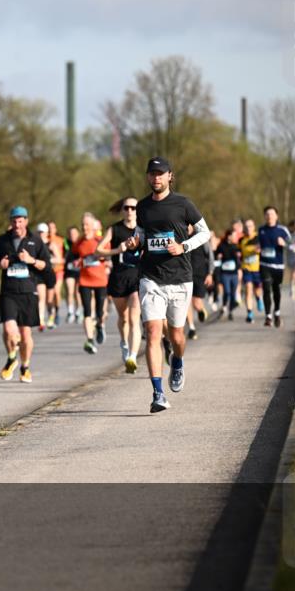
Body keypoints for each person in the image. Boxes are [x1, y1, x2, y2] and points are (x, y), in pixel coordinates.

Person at [125, 156, 210, 413]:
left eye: (161, 173)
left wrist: (183, 246)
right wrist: (135, 241)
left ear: (170, 176)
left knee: (176, 336)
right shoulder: (143, 206)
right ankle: (158, 393)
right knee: (152, 332)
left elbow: (204, 232)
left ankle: (178, 361)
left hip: (180, 278)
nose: (156, 178)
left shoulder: (183, 204)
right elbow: (141, 233)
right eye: (152, 174)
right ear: (148, 177)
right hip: (151, 278)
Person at [0, 206, 51, 382]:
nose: (17, 225)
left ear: (26, 221)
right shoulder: (2, 240)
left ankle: (25, 366)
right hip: (8, 291)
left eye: (20, 221)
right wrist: (0, 264)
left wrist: (31, 260)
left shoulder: (36, 241)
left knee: (25, 335)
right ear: (10, 222)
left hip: (28, 291)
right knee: (9, 329)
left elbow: (46, 266)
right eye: (14, 221)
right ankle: (11, 357)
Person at [94, 198, 142, 372]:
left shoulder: (143, 228)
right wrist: (117, 250)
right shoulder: (114, 229)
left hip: (138, 278)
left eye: (133, 208)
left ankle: (133, 357)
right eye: (126, 208)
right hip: (118, 278)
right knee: (123, 318)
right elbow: (97, 250)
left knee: (133, 319)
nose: (130, 211)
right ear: (122, 210)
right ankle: (124, 343)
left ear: (138, 210)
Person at [74, 212, 109, 354]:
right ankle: (89, 339)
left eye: (87, 224)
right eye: (83, 224)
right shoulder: (79, 242)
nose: (84, 227)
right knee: (87, 311)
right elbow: (73, 256)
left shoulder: (100, 240)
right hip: (85, 280)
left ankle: (100, 325)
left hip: (100, 280)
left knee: (101, 313)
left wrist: (101, 258)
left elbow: (108, 255)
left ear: (93, 226)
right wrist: (76, 261)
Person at [258, 206, 290, 328]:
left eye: (271, 214)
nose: (269, 216)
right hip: (264, 264)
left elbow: (293, 245)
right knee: (266, 289)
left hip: (278, 266)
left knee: (276, 290)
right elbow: (258, 243)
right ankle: (268, 316)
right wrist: (258, 248)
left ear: (276, 216)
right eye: (267, 214)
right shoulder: (261, 230)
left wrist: (284, 243)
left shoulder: (283, 230)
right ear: (265, 216)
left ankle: (276, 312)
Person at [185, 230, 214, 340]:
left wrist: (210, 274)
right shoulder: (180, 236)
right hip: (185, 275)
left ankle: (201, 310)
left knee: (196, 303)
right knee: (187, 302)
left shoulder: (201, 237)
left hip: (200, 275)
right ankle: (192, 328)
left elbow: (210, 256)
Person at [216, 226, 243, 320]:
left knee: (232, 293)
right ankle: (224, 305)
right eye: (232, 235)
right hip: (225, 273)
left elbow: (239, 260)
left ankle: (230, 311)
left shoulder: (236, 246)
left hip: (234, 273)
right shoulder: (221, 245)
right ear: (228, 236)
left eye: (234, 236)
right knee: (227, 291)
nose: (233, 237)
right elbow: (216, 254)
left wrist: (239, 256)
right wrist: (218, 255)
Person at [239, 219, 262, 323]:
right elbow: (238, 252)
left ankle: (258, 299)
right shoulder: (241, 240)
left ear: (254, 227)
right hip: (246, 268)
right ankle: (249, 313)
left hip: (258, 269)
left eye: (250, 226)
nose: (248, 228)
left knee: (257, 289)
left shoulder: (259, 237)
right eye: (246, 226)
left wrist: (260, 250)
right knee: (248, 288)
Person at [46, 221, 66, 327]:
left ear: (56, 229)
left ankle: (57, 312)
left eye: (52, 228)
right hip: (48, 272)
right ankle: (50, 314)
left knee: (57, 292)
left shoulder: (61, 240)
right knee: (48, 296)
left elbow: (67, 253)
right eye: (48, 228)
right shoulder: (44, 240)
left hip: (59, 270)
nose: (50, 230)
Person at [63, 226, 83, 324]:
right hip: (69, 271)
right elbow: (61, 255)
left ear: (78, 234)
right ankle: (70, 311)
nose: (72, 235)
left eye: (74, 233)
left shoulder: (81, 243)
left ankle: (78, 312)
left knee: (77, 293)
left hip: (79, 271)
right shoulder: (65, 243)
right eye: (70, 234)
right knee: (70, 291)